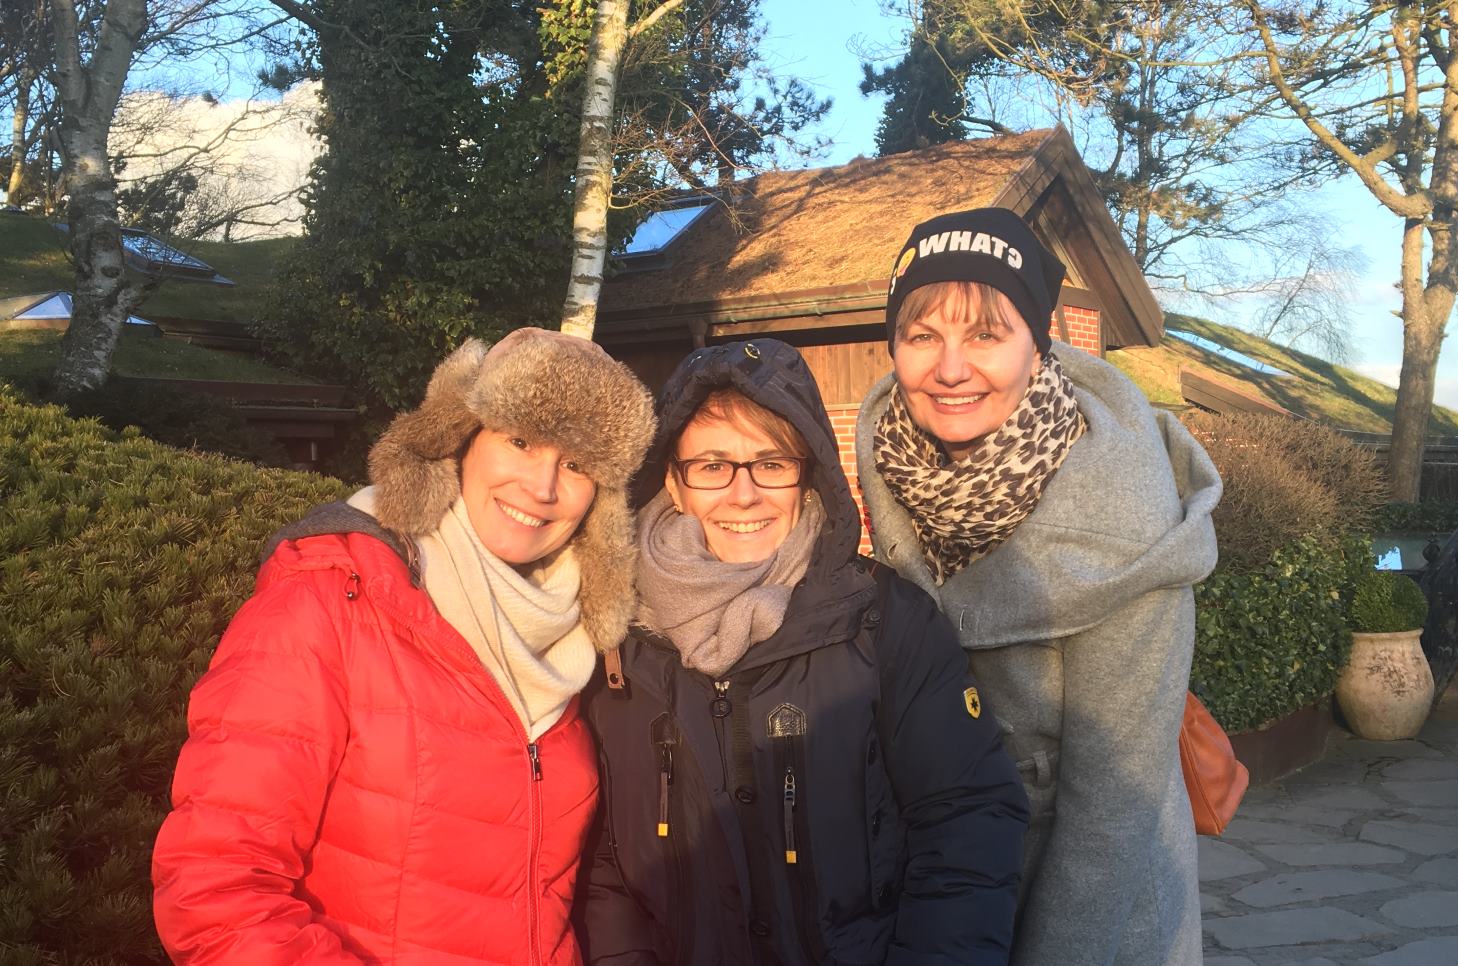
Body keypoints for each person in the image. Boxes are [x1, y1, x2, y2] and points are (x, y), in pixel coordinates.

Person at [152, 329, 654, 964]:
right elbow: (215, 887)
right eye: (521, 441)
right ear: (460, 440)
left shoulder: (576, 645)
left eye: (578, 463)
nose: (544, 486)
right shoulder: (331, 599)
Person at [576, 338, 1030, 966]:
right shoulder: (613, 635)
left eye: (772, 463)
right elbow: (603, 861)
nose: (743, 494)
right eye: (712, 466)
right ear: (674, 484)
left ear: (808, 473)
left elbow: (966, 823)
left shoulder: (885, 620)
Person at [855, 208, 1222, 965]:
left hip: (1088, 903)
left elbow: (1114, 805)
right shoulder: (894, 451)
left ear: (1036, 342)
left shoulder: (1120, 512)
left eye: (986, 334)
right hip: (943, 886)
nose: (949, 367)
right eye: (921, 335)